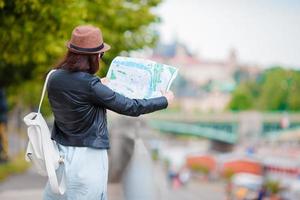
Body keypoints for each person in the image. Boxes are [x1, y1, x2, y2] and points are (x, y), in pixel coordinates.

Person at [43, 25, 174, 200]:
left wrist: (99, 85)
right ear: (94, 56)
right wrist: (164, 100)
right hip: (88, 161)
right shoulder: (91, 85)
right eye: (100, 54)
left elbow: (77, 94)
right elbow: (131, 106)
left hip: (60, 158)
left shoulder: (54, 77)